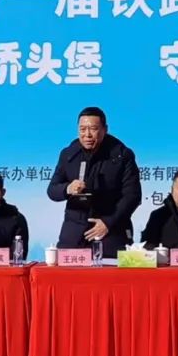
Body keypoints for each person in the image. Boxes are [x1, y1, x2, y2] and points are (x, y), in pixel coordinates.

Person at [46, 106, 141, 257]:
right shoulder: (68, 154)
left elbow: (132, 196)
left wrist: (108, 222)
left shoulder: (122, 155)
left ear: (105, 129)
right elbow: (52, 190)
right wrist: (68, 188)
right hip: (74, 231)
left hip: (111, 230)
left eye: (93, 129)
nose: (87, 135)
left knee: (109, 271)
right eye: (82, 129)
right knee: (67, 270)